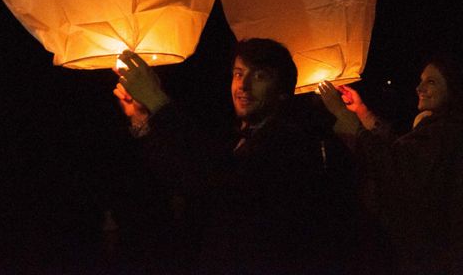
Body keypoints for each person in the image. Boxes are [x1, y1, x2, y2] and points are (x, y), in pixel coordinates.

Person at [114, 38, 356, 274]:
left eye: (259, 76)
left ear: (283, 91)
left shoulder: (292, 144)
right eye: (239, 73)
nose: (243, 85)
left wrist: (158, 102)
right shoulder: (236, 137)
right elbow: (184, 176)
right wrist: (142, 118)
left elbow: (219, 180)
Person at [319, 55, 463, 275]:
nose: (419, 87)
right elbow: (399, 149)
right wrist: (361, 111)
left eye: (431, 82)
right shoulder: (446, 129)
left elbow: (394, 164)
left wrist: (342, 115)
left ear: (453, 88)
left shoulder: (446, 133)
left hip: (438, 259)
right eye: (421, 80)